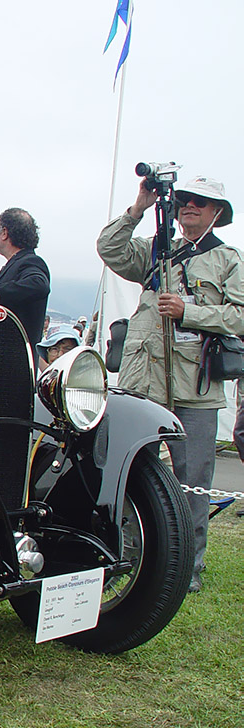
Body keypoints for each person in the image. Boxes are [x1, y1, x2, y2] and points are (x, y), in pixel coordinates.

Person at [97, 174, 244, 592]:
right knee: (128, 474)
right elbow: (110, 249)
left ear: (217, 212)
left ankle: (187, 569)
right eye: (183, 199)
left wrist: (190, 313)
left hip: (194, 387)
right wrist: (138, 208)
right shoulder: (157, 250)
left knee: (192, 478)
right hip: (144, 380)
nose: (189, 206)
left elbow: (241, 315)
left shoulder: (228, 259)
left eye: (200, 201)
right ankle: (125, 555)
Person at [0, 208, 50, 347]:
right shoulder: (17, 262)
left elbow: (39, 285)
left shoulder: (31, 262)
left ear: (4, 233)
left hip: (15, 358)